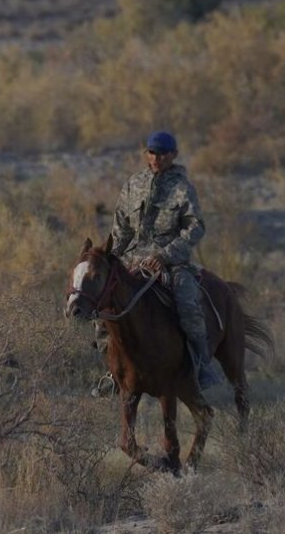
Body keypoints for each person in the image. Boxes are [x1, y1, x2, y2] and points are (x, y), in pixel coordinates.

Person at [102, 131, 221, 392]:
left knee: (188, 303)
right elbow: (121, 227)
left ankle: (202, 365)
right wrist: (112, 258)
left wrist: (165, 255)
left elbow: (195, 227)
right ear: (146, 154)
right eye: (152, 152)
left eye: (163, 153)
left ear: (173, 155)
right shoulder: (133, 184)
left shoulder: (182, 188)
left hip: (171, 263)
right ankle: (110, 372)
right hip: (132, 260)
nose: (156, 158)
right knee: (102, 302)